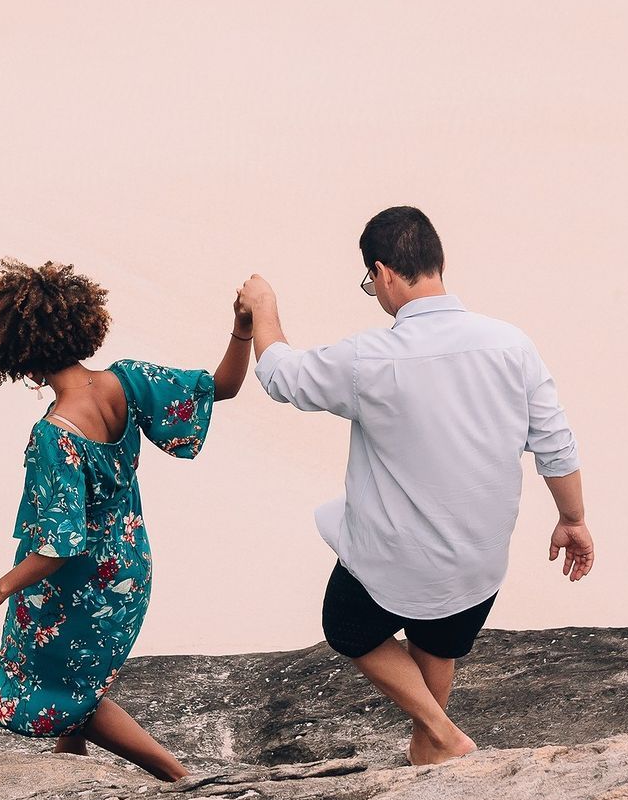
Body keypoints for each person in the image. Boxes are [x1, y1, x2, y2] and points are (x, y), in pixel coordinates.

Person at [239, 206, 593, 766]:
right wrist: (572, 520)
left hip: (397, 559)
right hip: (478, 559)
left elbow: (283, 377)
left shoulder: (371, 357)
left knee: (346, 624)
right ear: (436, 262)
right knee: (436, 641)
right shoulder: (510, 344)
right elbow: (555, 442)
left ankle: (440, 731)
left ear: (382, 273)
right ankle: (430, 755)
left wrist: (264, 307)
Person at [0, 257, 252, 780]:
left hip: (76, 579)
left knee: (55, 690)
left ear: (18, 359)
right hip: (128, 567)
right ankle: (72, 773)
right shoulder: (128, 381)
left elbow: (59, 544)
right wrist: (241, 329)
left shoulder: (54, 435)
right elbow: (221, 387)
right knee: (75, 676)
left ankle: (181, 777)